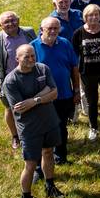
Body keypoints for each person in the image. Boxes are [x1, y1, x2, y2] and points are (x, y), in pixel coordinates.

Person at [3, 44, 65, 198]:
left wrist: (34, 100)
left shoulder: (42, 69)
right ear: (17, 59)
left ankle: (50, 186)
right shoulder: (10, 81)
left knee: (48, 153)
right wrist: (44, 94)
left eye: (33, 56)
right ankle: (26, 196)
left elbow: (55, 93)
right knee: (30, 164)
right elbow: (20, 108)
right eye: (26, 57)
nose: (31, 59)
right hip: (30, 129)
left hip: (49, 122)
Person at [31, 17, 80, 167]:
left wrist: (76, 90)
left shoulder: (65, 43)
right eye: (49, 29)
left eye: (56, 29)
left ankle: (61, 156)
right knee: (41, 131)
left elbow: (74, 68)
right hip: (43, 98)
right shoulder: (33, 47)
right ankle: (39, 166)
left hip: (64, 94)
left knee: (61, 128)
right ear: (41, 30)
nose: (53, 31)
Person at [0, 11, 35, 150]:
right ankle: (15, 136)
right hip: (10, 80)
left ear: (18, 20)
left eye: (13, 20)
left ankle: (33, 132)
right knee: (10, 108)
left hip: (31, 74)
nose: (11, 24)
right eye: (6, 22)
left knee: (32, 104)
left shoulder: (29, 32)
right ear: (0, 25)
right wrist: (2, 75)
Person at [72, 4, 100, 139]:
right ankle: (93, 127)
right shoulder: (78, 33)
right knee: (92, 101)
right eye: (90, 15)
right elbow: (74, 52)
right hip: (87, 72)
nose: (93, 17)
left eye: (96, 14)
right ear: (85, 17)